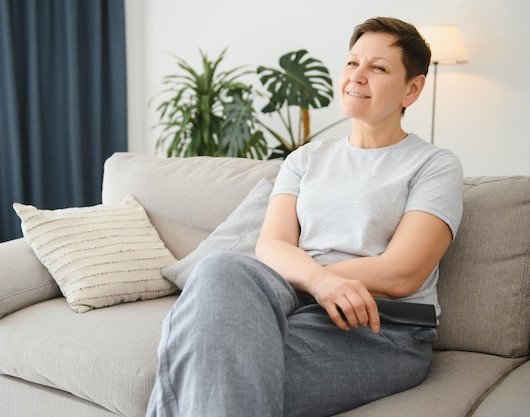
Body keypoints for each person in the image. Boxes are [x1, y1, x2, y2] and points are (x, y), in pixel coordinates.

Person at [145, 16, 464, 417]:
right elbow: (272, 245)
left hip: (380, 326)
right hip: (299, 297)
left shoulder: (434, 165)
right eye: (352, 62)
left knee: (204, 367)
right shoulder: (305, 158)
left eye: (378, 68)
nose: (357, 76)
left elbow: (402, 273)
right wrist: (319, 282)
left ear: (412, 89)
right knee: (221, 268)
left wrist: (323, 282)